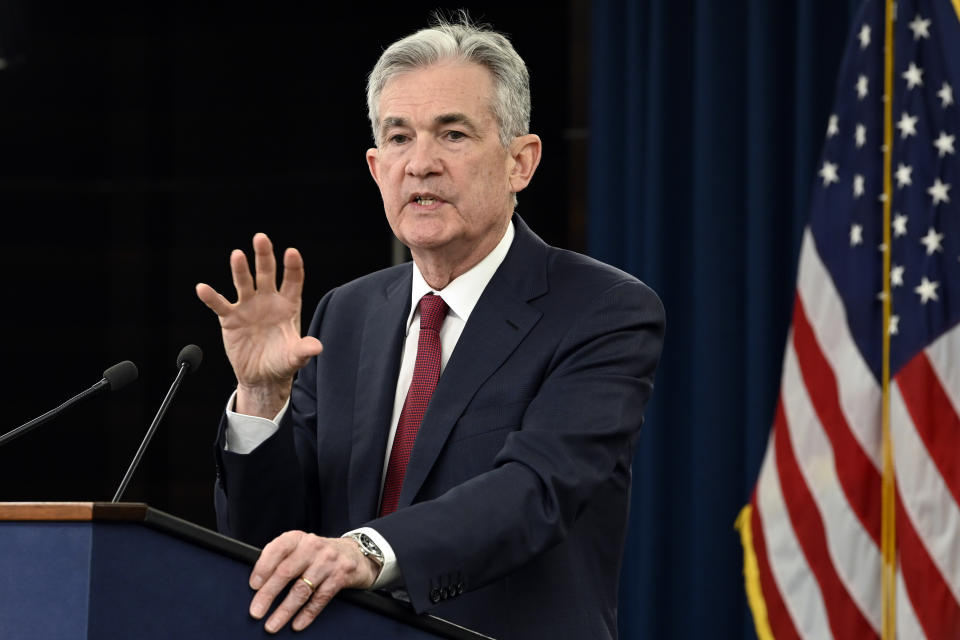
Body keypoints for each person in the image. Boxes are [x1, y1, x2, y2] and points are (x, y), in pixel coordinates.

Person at [196, 15, 664, 640]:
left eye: (452, 134)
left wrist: (366, 549)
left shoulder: (603, 309)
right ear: (374, 168)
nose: (420, 164)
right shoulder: (347, 315)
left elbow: (534, 492)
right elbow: (270, 547)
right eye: (398, 138)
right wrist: (260, 399)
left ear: (520, 162)